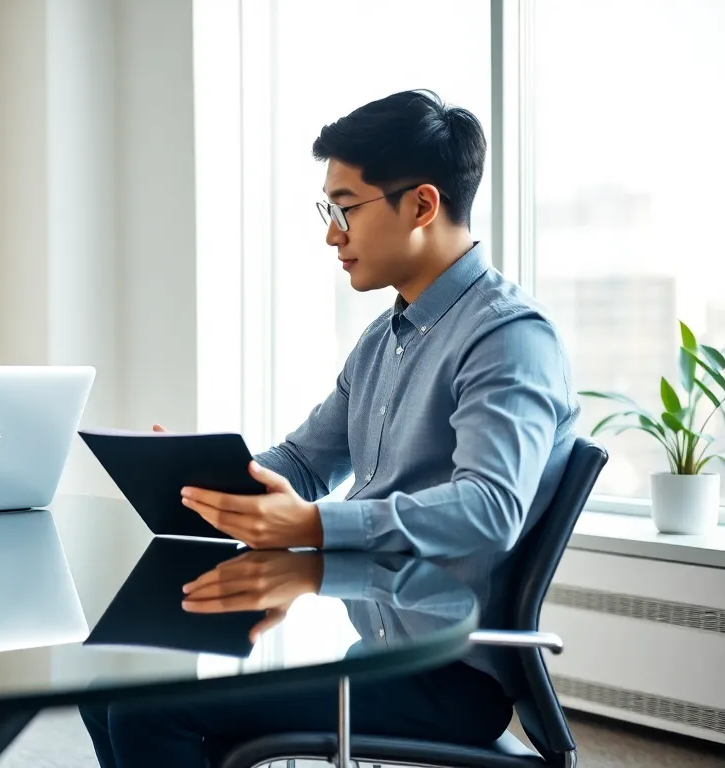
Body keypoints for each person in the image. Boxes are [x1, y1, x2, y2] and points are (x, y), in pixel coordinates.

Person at [83, 89, 579, 767]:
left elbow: (489, 509)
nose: (330, 233)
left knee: (149, 706)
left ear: (422, 205)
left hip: (447, 676)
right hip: (372, 641)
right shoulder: (387, 336)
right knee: (108, 684)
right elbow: (304, 461)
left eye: (345, 208)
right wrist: (207, 477)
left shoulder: (508, 338)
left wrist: (313, 526)